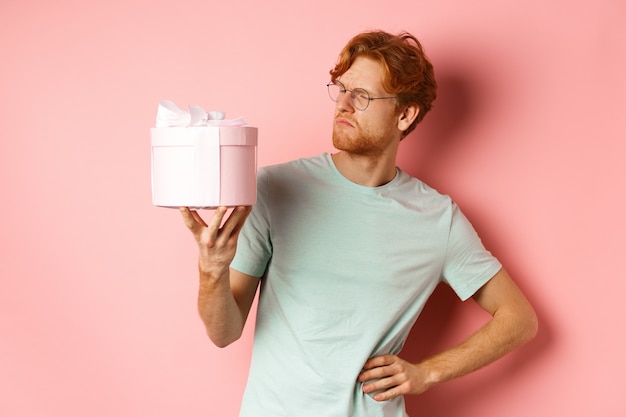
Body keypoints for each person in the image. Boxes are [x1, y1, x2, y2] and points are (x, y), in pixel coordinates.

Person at [180, 30, 538, 417]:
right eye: (342, 89)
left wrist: (428, 373)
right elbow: (223, 332)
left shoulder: (437, 218)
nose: (344, 105)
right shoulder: (274, 188)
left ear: (405, 115)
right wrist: (211, 270)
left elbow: (519, 319)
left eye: (363, 95)